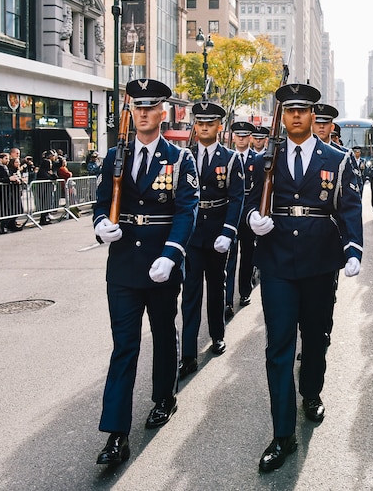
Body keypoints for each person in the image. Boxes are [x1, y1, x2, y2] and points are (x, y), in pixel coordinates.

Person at [244, 83, 362, 472]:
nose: (296, 116)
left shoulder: (336, 158)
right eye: (290, 110)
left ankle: (311, 391)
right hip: (276, 262)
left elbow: (348, 206)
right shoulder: (266, 158)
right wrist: (253, 221)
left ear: (314, 116)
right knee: (278, 346)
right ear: (283, 115)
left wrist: (353, 249)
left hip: (319, 261)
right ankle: (282, 435)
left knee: (316, 336)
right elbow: (248, 204)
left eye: (303, 110)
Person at [92, 78, 199, 466]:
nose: (143, 114)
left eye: (150, 107)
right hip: (122, 265)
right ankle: (116, 434)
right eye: (137, 107)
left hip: (160, 262)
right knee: (124, 347)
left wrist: (171, 254)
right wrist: (101, 224)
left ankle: (165, 396)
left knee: (163, 334)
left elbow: (187, 210)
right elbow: (102, 202)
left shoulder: (179, 158)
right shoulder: (114, 156)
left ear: (163, 112)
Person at [179, 102, 245, 380]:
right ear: (195, 125)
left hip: (217, 233)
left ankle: (217, 334)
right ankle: (189, 353)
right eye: (200, 123)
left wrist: (228, 232)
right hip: (192, 236)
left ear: (220, 126)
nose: (204, 127)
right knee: (190, 295)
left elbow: (236, 198)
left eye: (210, 123)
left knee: (217, 287)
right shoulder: (184, 156)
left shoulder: (230, 159)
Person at [225, 121, 258, 318]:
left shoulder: (258, 159)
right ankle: (227, 300)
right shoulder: (227, 158)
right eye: (238, 135)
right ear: (234, 137)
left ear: (250, 138)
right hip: (230, 211)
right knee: (229, 258)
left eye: (245, 135)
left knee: (247, 255)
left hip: (248, 213)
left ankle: (244, 290)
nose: (242, 138)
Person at [0, 152, 23, 233]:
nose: (8, 160)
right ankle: (0, 227)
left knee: (9, 210)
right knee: (2, 211)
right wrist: (9, 179)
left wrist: (14, 180)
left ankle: (11, 225)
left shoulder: (5, 167)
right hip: (0, 193)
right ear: (0, 159)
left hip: (8, 192)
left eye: (8, 159)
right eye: (6, 158)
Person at [36, 150, 58, 225]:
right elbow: (50, 177)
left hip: (47, 189)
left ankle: (46, 217)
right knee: (45, 203)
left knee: (48, 203)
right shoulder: (43, 172)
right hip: (43, 189)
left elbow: (54, 177)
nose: (51, 165)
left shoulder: (48, 171)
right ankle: (43, 218)